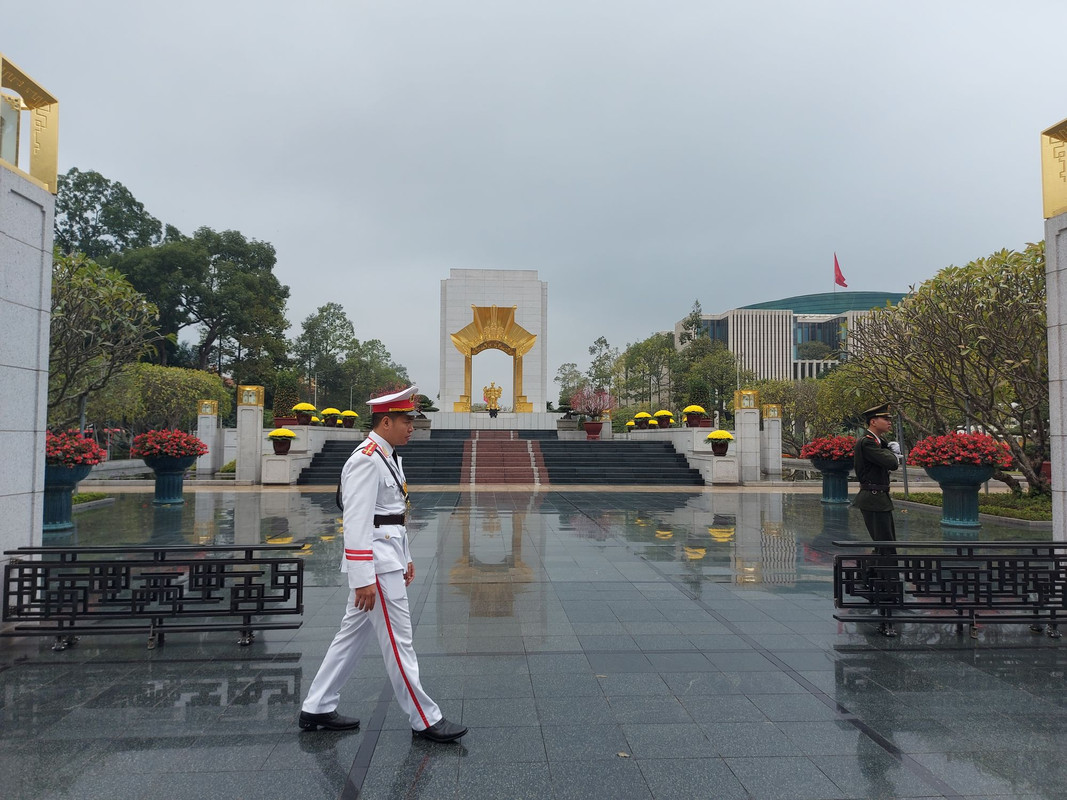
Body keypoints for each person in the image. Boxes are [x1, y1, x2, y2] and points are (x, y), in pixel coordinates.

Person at [299, 386, 468, 743]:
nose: (412, 427)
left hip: (387, 557)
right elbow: (358, 522)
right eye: (407, 421)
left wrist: (405, 556)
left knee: (351, 636)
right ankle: (424, 718)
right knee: (399, 641)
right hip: (375, 566)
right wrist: (363, 578)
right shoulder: (366, 458)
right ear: (386, 421)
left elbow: (391, 515)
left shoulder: (387, 455)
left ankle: (317, 705)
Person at [852, 403, 901, 636]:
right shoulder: (867, 442)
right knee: (886, 547)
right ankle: (887, 590)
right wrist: (893, 453)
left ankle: (867, 578)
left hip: (878, 498)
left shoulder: (876, 442)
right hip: (873, 499)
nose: (889, 422)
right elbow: (892, 463)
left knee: (886, 545)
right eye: (885, 419)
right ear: (873, 422)